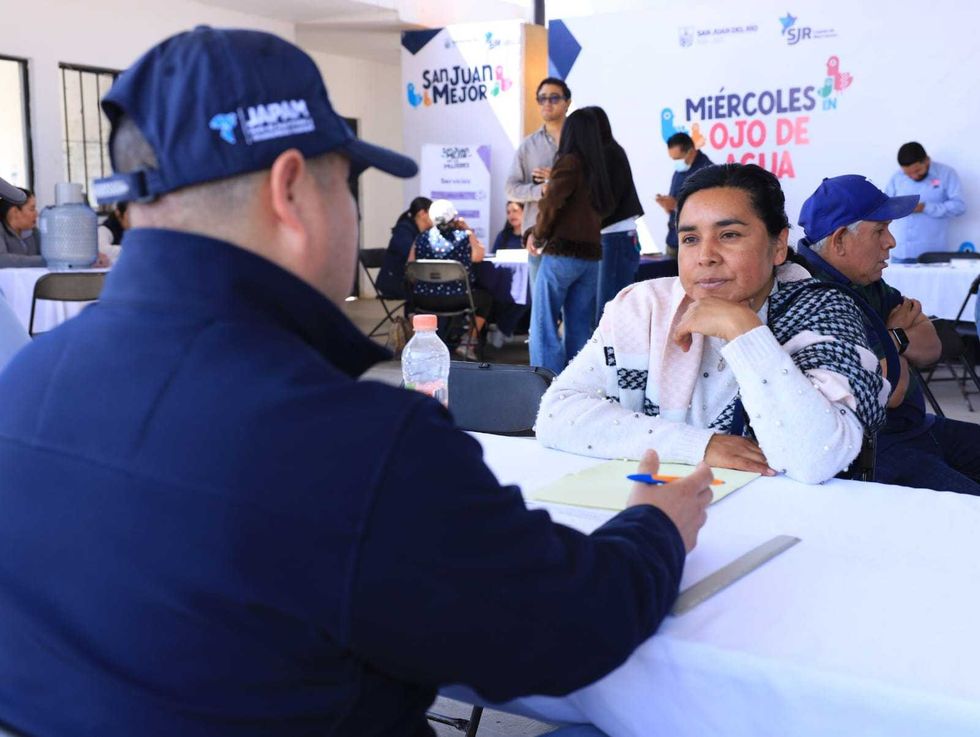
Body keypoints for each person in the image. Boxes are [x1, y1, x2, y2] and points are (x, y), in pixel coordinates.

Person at [0, 31, 715, 737]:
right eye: (348, 184)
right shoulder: (355, 444)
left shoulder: (20, 386)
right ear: (290, 191)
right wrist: (656, 527)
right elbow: (573, 626)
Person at [536, 164, 889, 485]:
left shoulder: (822, 309)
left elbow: (815, 457)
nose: (705, 256)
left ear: (779, 245)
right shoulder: (644, 307)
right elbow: (556, 415)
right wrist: (699, 446)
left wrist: (744, 332)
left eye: (729, 235)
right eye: (690, 239)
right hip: (659, 513)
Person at [795, 174, 980, 494]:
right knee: (968, 510)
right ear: (839, 240)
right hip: (872, 449)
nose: (891, 242)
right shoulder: (814, 294)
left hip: (917, 427)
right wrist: (897, 335)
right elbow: (890, 391)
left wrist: (894, 342)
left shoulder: (868, 280)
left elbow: (932, 345)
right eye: (880, 230)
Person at [527, 109, 612, 376]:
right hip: (591, 259)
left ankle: (546, 385)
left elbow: (550, 203)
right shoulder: (599, 168)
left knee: (544, 325)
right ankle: (580, 385)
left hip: (562, 253)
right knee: (579, 327)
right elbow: (608, 207)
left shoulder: (569, 162)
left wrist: (538, 236)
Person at [505, 77, 570, 286]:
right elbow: (510, 189)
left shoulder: (581, 142)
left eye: (553, 98)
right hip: (539, 238)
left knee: (576, 315)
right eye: (542, 99)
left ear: (567, 102)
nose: (547, 103)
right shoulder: (528, 146)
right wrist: (541, 190)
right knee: (542, 314)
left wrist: (558, 180)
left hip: (576, 238)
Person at [408, 199, 492, 360]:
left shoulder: (421, 238)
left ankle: (424, 345)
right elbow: (479, 256)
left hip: (424, 300)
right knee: (485, 299)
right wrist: (468, 230)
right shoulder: (463, 237)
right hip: (458, 299)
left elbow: (410, 266)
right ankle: (467, 342)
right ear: (453, 217)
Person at [583, 106, 644, 324]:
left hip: (615, 237)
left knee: (609, 310)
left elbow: (608, 203)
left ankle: (610, 358)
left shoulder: (609, 154)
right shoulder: (605, 153)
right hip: (611, 237)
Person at [885, 142, 965, 262]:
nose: (913, 176)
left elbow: (959, 206)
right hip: (900, 254)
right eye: (908, 174)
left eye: (917, 171)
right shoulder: (897, 177)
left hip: (932, 255)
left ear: (927, 160)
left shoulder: (947, 174)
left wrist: (925, 207)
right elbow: (886, 206)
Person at [654, 132, 713, 258]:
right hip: (674, 239)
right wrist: (667, 205)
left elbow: (708, 211)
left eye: (678, 159)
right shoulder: (680, 170)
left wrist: (676, 205)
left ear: (691, 152)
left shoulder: (708, 172)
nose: (676, 163)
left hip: (694, 245)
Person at [376, 196, 431, 299]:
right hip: (395, 282)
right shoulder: (403, 230)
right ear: (422, 213)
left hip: (409, 279)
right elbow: (410, 255)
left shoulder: (422, 231)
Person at [0, 187, 45, 267]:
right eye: (32, 209)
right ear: (15, 212)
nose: (36, 214)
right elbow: (2, 260)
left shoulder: (34, 232)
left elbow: (50, 254)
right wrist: (43, 260)